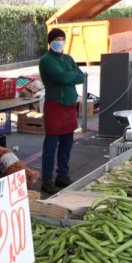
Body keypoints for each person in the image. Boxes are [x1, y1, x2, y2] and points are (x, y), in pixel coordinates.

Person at [38, 28, 85, 195]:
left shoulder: (68, 58)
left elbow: (82, 76)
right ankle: (47, 180)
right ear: (50, 42)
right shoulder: (46, 60)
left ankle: (62, 175)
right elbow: (62, 77)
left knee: (67, 143)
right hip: (55, 105)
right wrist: (72, 75)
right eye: (56, 39)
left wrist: (70, 75)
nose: (60, 42)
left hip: (69, 105)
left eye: (62, 39)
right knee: (51, 145)